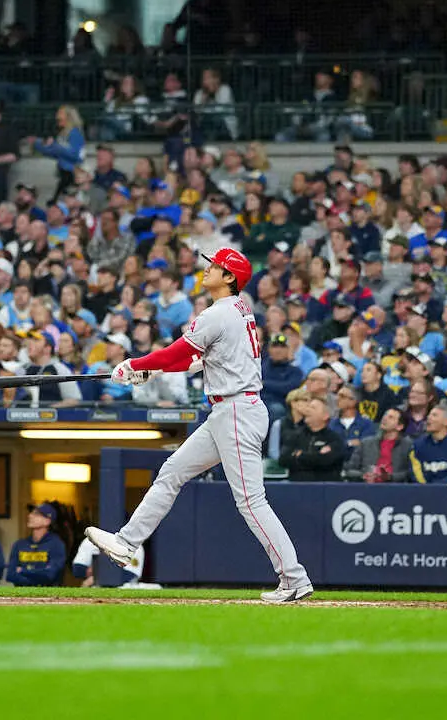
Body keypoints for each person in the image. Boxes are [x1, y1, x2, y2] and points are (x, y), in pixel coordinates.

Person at [86, 248, 313, 603]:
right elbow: (198, 359)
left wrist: (135, 363)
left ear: (229, 277)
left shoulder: (219, 312)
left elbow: (179, 352)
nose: (207, 269)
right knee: (172, 471)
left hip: (236, 410)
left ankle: (294, 579)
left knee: (251, 501)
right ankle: (125, 542)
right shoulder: (238, 309)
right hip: (229, 411)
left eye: (215, 266)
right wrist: (151, 369)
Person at [279, 395, 346, 482]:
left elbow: (327, 461)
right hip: (297, 488)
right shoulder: (295, 435)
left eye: (313, 408)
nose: (307, 410)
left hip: (326, 489)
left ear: (325, 416)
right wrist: (317, 455)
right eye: (308, 407)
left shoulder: (334, 438)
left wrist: (300, 455)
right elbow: (283, 460)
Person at [343, 406, 410, 482]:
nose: (384, 418)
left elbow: (410, 473)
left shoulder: (407, 446)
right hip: (367, 488)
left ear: (399, 427)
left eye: (390, 417)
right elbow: (349, 470)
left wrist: (389, 477)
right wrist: (363, 475)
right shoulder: (366, 443)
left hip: (395, 489)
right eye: (385, 415)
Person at [7, 502, 67, 586]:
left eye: (36, 514)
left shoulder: (57, 545)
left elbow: (50, 575)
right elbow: (10, 575)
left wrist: (22, 571)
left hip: (47, 596)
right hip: (22, 595)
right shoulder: (19, 544)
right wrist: (38, 576)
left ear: (47, 521)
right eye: (31, 513)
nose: (30, 516)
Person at [407, 407, 447, 484]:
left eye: (434, 415)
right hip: (422, 493)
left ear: (446, 421)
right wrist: (428, 489)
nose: (428, 418)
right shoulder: (417, 446)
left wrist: (438, 489)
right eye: (429, 415)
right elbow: (416, 474)